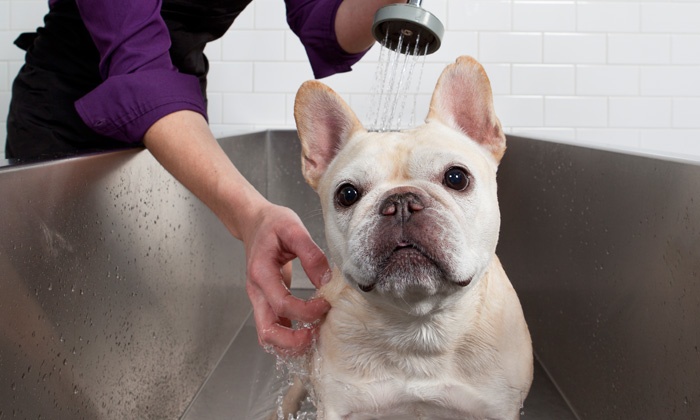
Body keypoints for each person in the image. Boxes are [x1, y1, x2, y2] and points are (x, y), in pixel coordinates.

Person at [6, 0, 402, 355]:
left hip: (181, 124)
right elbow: (136, 61)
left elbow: (325, 21)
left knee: (162, 312)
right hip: (67, 118)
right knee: (63, 327)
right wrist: (252, 216)